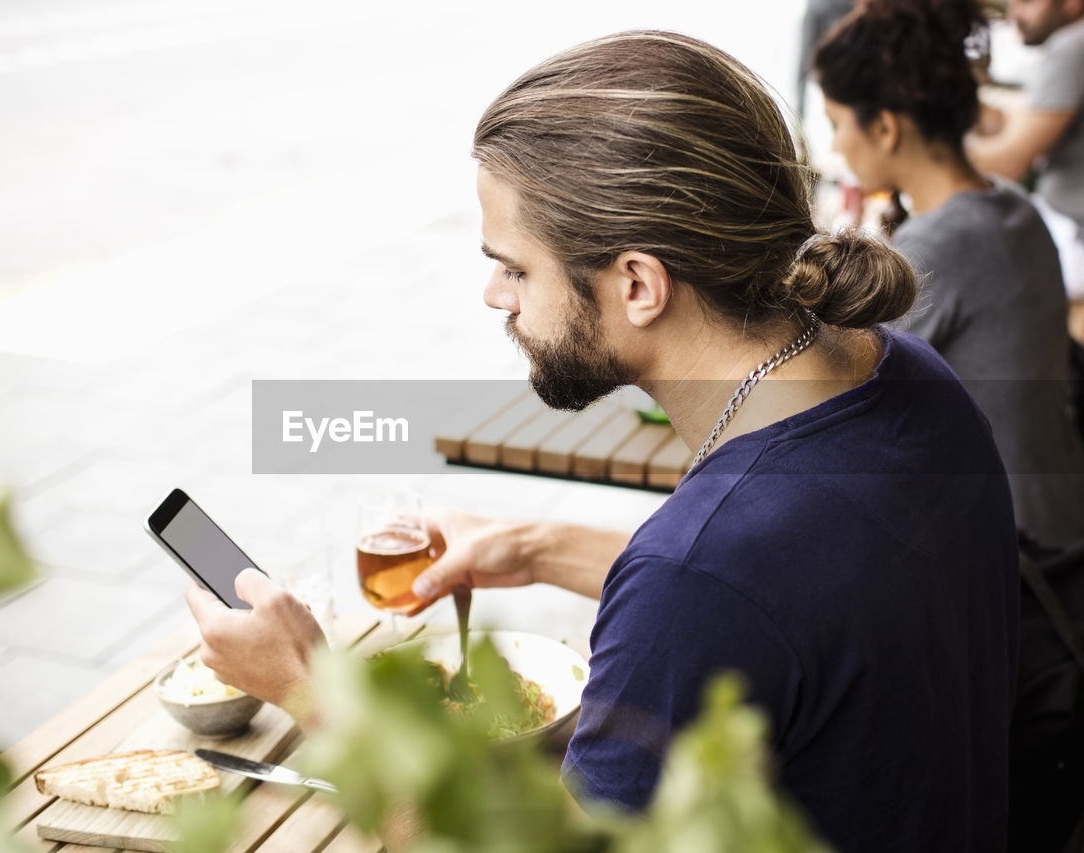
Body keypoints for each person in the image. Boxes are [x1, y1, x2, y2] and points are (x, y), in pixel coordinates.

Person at [186, 30, 1019, 852]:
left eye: (515, 267)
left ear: (637, 283)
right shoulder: (909, 374)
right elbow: (797, 595)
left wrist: (313, 694)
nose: (493, 294)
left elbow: (723, 586)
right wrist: (542, 545)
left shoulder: (698, 574)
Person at [812, 0, 1084, 550]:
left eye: (839, 124)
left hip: (1015, 563)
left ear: (885, 127)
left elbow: (823, 402)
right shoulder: (1012, 209)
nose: (838, 145)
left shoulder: (935, 249)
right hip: (1061, 522)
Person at [968, 0, 1084, 338]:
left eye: (1028, 1)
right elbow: (1025, 128)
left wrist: (939, 145)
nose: (1015, 12)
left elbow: (1010, 160)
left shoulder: (1070, 47)